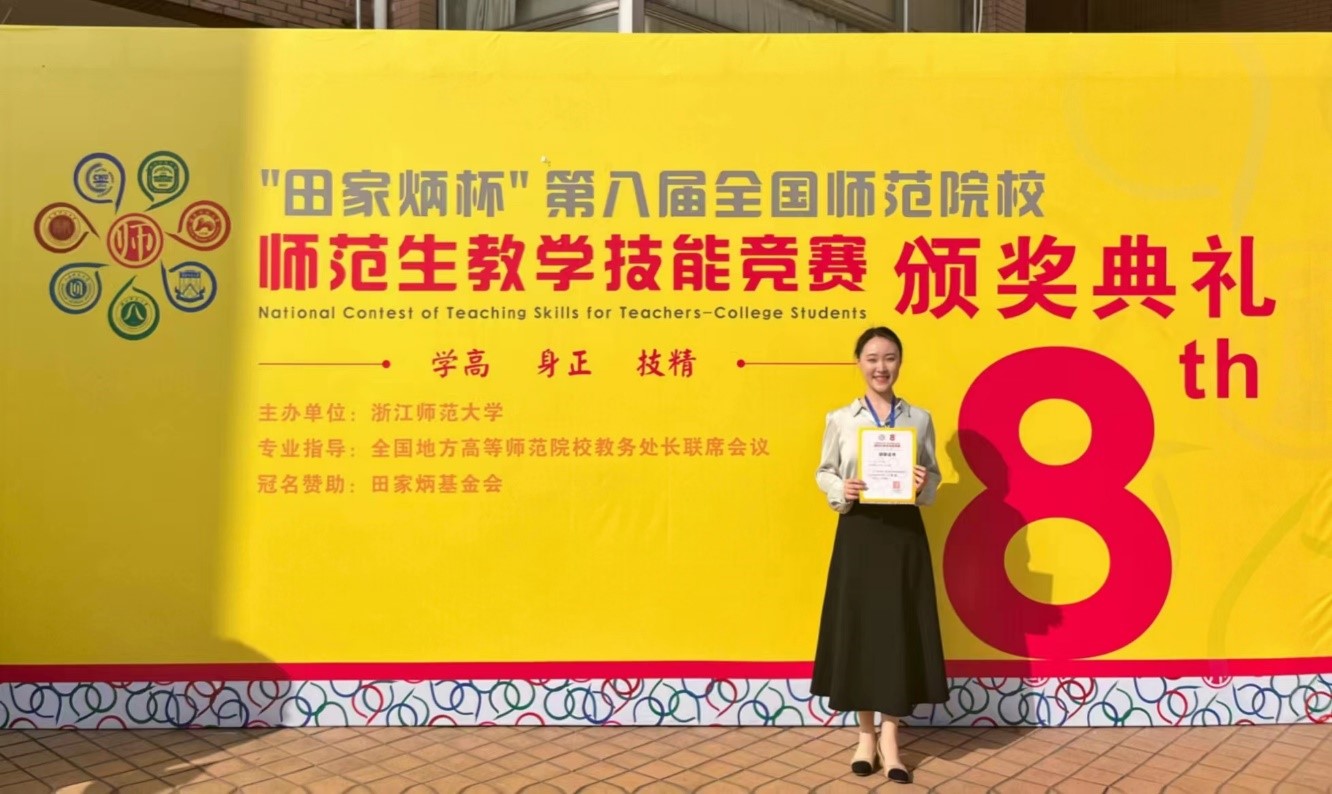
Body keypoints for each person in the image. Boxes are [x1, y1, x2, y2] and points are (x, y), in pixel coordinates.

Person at [810, 326, 948, 784]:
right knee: (861, 628)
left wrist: (921, 483)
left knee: (897, 629)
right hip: (860, 531)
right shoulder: (840, 418)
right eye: (872, 358)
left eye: (889, 358)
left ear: (900, 362)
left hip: (903, 533)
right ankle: (864, 737)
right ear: (858, 362)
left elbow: (933, 476)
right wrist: (842, 488)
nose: (881, 367)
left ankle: (891, 739)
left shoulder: (919, 419)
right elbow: (824, 471)